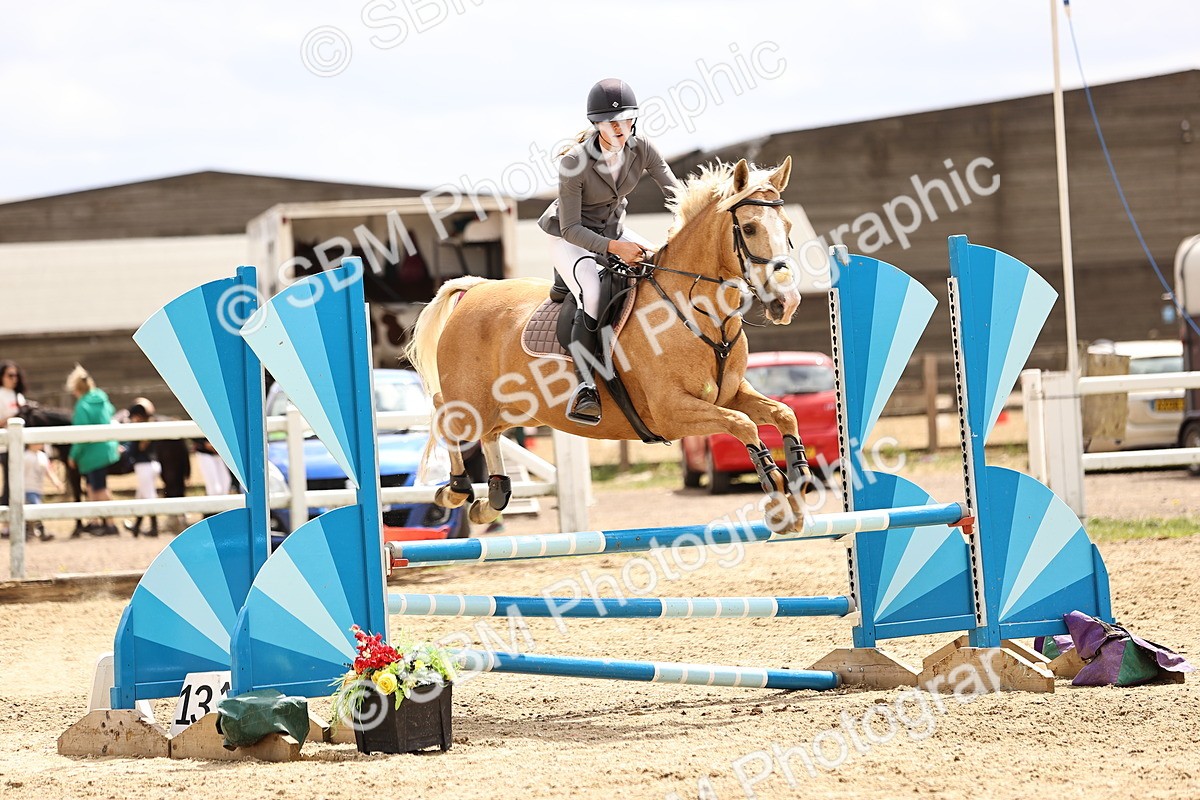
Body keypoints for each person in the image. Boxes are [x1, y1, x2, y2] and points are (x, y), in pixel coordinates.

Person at [538, 78, 681, 426]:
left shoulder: (642, 147)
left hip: (614, 228)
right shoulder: (574, 162)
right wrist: (616, 248)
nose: (618, 128)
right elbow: (572, 228)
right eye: (609, 122)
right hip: (569, 238)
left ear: (634, 119)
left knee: (659, 264)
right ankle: (586, 385)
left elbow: (675, 190)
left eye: (625, 120)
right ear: (596, 124)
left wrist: (693, 217)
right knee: (593, 287)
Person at [65, 364, 120, 536]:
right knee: (93, 486)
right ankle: (97, 520)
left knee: (98, 489)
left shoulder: (82, 406)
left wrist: (73, 455)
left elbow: (81, 435)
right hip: (107, 447)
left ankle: (109, 524)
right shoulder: (101, 397)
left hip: (92, 453)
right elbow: (111, 412)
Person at [123, 401, 159, 537]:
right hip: (152, 465)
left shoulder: (140, 430)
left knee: (149, 497)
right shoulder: (151, 427)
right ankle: (137, 527)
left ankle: (154, 528)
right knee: (141, 497)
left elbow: (135, 449)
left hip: (144, 466)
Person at [0, 360, 27, 530]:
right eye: (10, 375)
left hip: (19, 446)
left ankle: (15, 524)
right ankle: (5, 525)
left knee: (17, 484)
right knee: (9, 485)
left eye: (16, 375)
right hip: (4, 446)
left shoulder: (19, 396)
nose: (14, 378)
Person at [23, 442, 62, 541]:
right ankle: (41, 531)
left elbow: (48, 471)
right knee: (35, 508)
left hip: (38, 488)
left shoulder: (42, 456)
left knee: (32, 511)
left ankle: (29, 532)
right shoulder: (25, 456)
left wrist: (56, 481)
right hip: (27, 488)